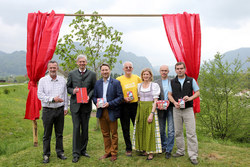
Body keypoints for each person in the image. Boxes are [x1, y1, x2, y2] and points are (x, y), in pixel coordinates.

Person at [168, 62, 200, 165]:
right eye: (177, 69)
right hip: (176, 110)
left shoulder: (191, 80)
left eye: (181, 68)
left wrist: (190, 98)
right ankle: (180, 151)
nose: (179, 70)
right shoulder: (172, 81)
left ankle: (193, 155)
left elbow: (198, 92)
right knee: (178, 132)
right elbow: (169, 94)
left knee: (191, 133)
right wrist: (174, 102)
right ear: (175, 70)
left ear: (185, 69)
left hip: (188, 109)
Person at [67, 55, 96, 163]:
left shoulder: (92, 74)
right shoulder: (72, 74)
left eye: (84, 61)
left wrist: (89, 95)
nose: (82, 63)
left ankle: (83, 150)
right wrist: (72, 91)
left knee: (85, 129)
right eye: (80, 62)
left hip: (86, 106)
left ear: (86, 62)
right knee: (76, 128)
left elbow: (94, 88)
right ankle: (76, 153)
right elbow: (68, 87)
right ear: (77, 63)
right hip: (75, 106)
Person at [37, 60, 68, 163]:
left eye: (54, 67)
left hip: (60, 110)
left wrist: (65, 107)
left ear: (57, 68)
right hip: (48, 111)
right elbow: (40, 95)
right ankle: (46, 154)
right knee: (47, 134)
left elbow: (65, 95)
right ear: (48, 69)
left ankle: (60, 152)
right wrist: (52, 99)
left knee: (59, 133)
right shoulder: (42, 80)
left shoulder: (62, 80)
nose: (53, 69)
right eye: (51, 68)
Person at [93, 63, 123, 162]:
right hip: (101, 111)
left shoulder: (116, 82)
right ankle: (108, 152)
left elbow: (120, 97)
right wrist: (96, 102)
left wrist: (109, 103)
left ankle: (114, 152)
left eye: (106, 70)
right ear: (100, 71)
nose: (105, 72)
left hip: (112, 110)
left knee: (114, 133)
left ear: (109, 70)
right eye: (103, 70)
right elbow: (94, 96)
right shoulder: (97, 83)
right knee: (105, 133)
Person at [132, 68, 162, 160]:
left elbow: (155, 100)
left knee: (150, 129)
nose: (145, 76)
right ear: (142, 76)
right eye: (144, 74)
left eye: (147, 74)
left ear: (150, 76)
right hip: (141, 108)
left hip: (150, 107)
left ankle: (151, 152)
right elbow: (139, 98)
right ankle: (145, 149)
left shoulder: (154, 85)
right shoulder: (139, 86)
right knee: (142, 128)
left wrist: (152, 113)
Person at [116, 61, 142, 156]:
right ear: (123, 69)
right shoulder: (118, 79)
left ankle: (140, 147)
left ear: (132, 68)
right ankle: (128, 148)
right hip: (123, 106)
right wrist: (123, 98)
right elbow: (116, 93)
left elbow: (142, 90)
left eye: (130, 67)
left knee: (138, 127)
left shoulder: (137, 78)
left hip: (135, 105)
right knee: (125, 128)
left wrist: (140, 99)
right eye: (126, 67)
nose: (128, 68)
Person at [155, 65, 175, 159]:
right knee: (161, 129)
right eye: (162, 70)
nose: (164, 72)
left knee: (171, 130)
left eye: (165, 70)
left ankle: (168, 150)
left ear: (168, 71)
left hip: (171, 108)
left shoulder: (173, 81)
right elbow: (154, 95)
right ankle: (163, 146)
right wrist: (159, 103)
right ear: (159, 71)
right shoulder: (156, 83)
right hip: (160, 108)